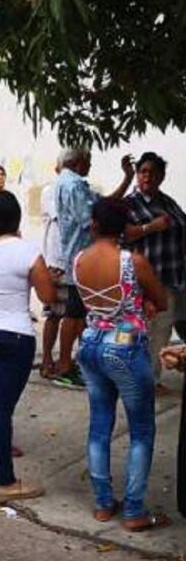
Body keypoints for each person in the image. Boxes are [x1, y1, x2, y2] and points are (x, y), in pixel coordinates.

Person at [74, 198, 169, 531]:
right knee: (141, 430)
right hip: (125, 348)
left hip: (89, 344)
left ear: (95, 224)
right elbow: (162, 300)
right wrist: (141, 303)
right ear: (124, 227)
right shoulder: (132, 261)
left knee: (100, 424)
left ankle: (102, 504)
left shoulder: (79, 260)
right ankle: (133, 510)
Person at [0, 192, 56, 499]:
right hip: (15, 334)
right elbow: (48, 297)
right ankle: (5, 479)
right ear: (16, 218)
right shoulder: (27, 251)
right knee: (0, 408)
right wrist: (48, 279)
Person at [54, 149, 134, 387]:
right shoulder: (74, 183)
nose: (89, 167)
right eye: (88, 162)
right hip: (82, 257)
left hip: (79, 256)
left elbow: (104, 204)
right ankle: (65, 365)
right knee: (75, 313)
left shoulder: (68, 182)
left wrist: (126, 179)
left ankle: (79, 362)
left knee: (81, 314)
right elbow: (90, 218)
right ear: (79, 162)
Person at [122, 152, 186, 385]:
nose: (147, 177)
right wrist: (151, 226)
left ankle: (151, 379)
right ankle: (131, 378)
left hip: (169, 279)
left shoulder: (168, 202)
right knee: (136, 333)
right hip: (141, 284)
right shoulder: (128, 204)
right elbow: (123, 233)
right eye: (143, 172)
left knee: (161, 332)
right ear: (137, 175)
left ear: (161, 176)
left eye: (153, 172)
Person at [39, 163, 68, 380]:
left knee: (76, 315)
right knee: (54, 314)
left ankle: (65, 360)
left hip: (75, 262)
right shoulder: (51, 191)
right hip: (57, 263)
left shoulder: (82, 190)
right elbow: (65, 217)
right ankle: (47, 359)